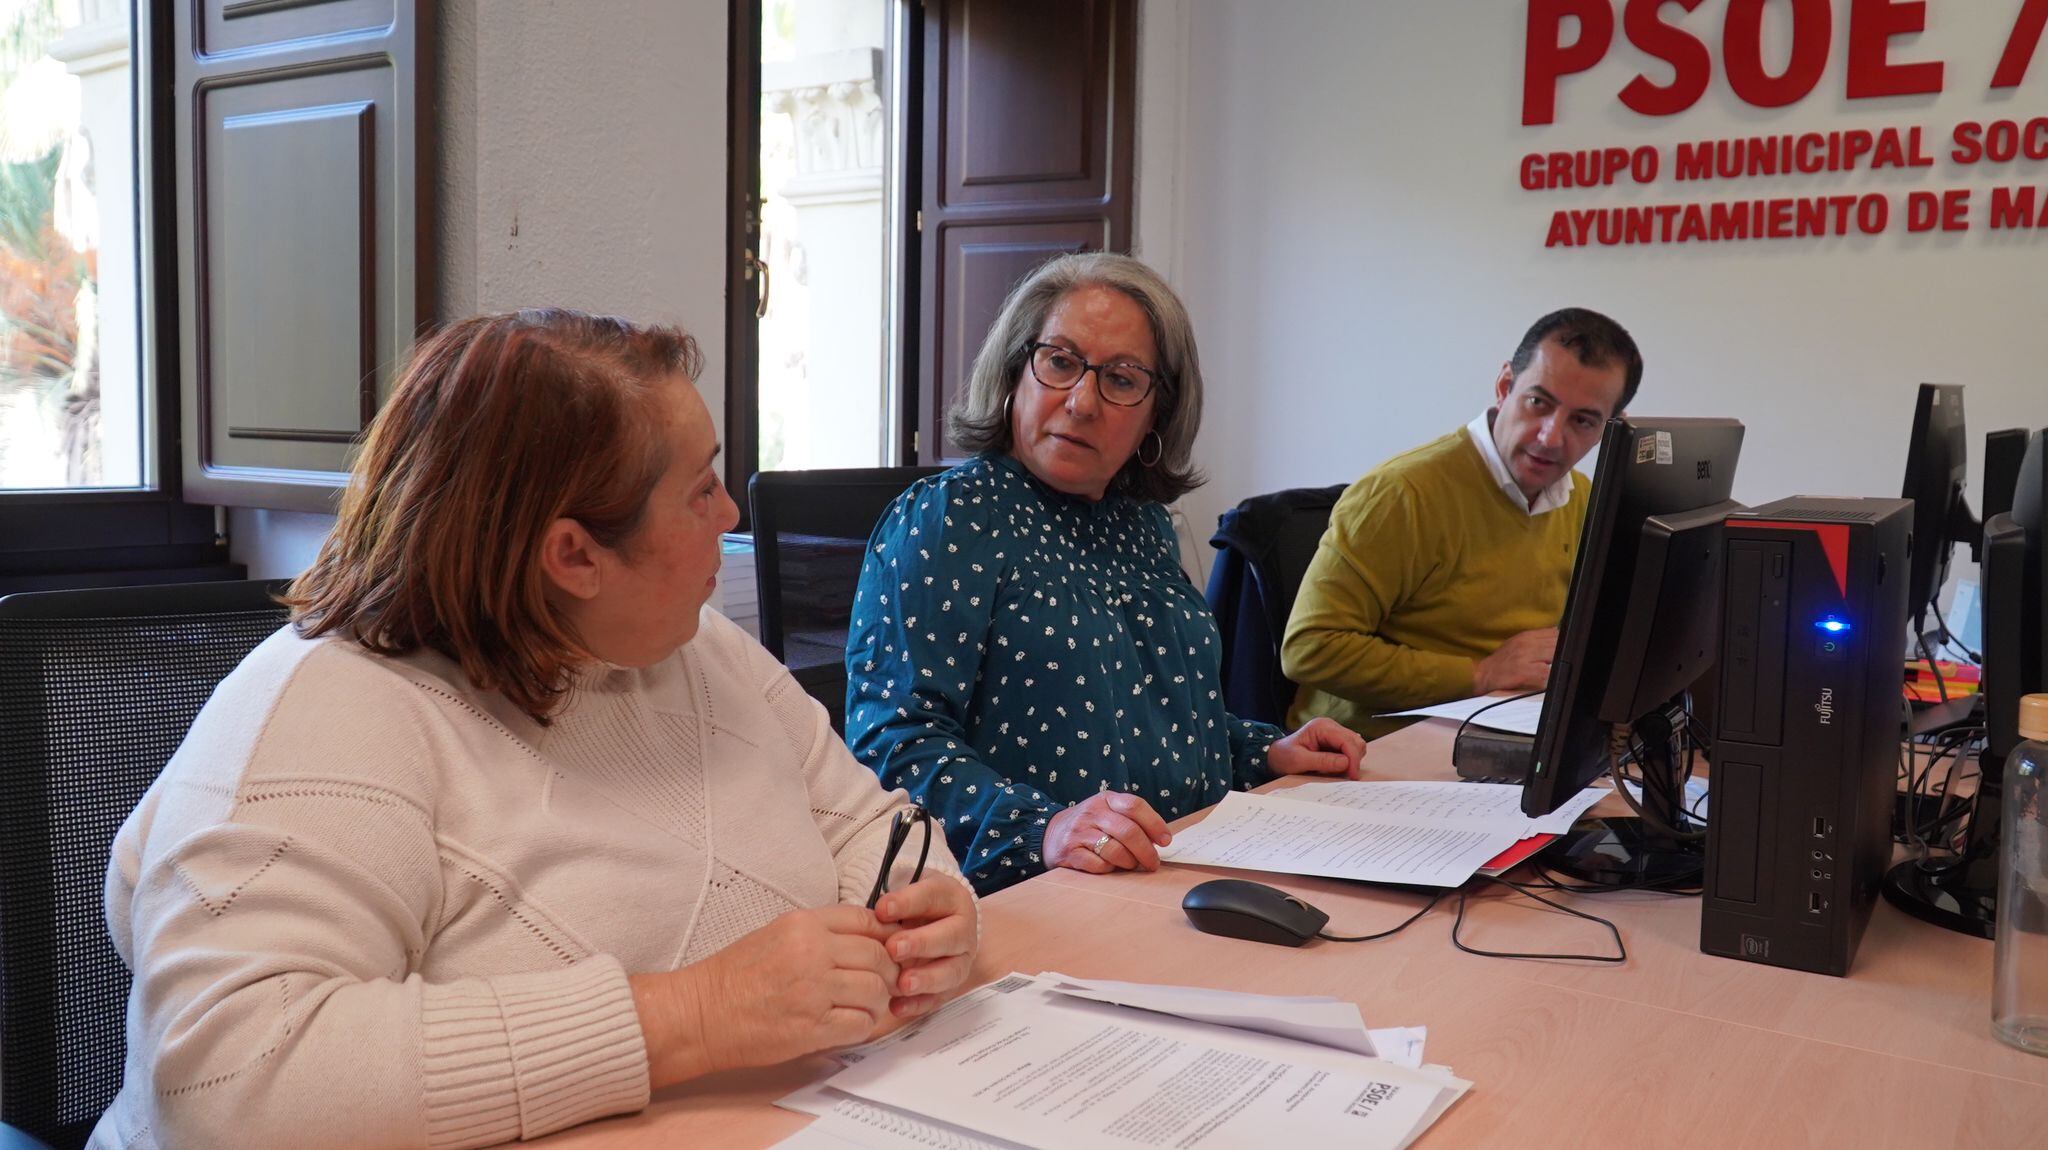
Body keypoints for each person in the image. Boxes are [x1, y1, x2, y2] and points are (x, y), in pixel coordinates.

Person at [89, 310, 979, 1150]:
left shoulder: (690, 645)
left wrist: (930, 920)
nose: (730, 517)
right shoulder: (326, 712)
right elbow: (227, 1087)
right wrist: (696, 1015)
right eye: (701, 488)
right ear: (574, 557)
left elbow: (871, 825)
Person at [843, 253, 1366, 896]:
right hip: (1030, 895)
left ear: (1156, 415)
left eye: (1120, 379)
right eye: (1060, 362)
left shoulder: (1142, 524)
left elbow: (1148, 713)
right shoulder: (952, 516)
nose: (1082, 401)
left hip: (1185, 869)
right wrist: (1044, 828)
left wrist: (1263, 752)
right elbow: (891, 744)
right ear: (1015, 372)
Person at [1282, 307, 1642, 740]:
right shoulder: (1401, 494)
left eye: (1582, 421)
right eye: (1538, 402)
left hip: (1500, 740)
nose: (1550, 436)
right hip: (1376, 752)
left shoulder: (1582, 498)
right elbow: (1309, 649)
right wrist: (1481, 673)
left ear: (1609, 428)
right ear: (1504, 385)